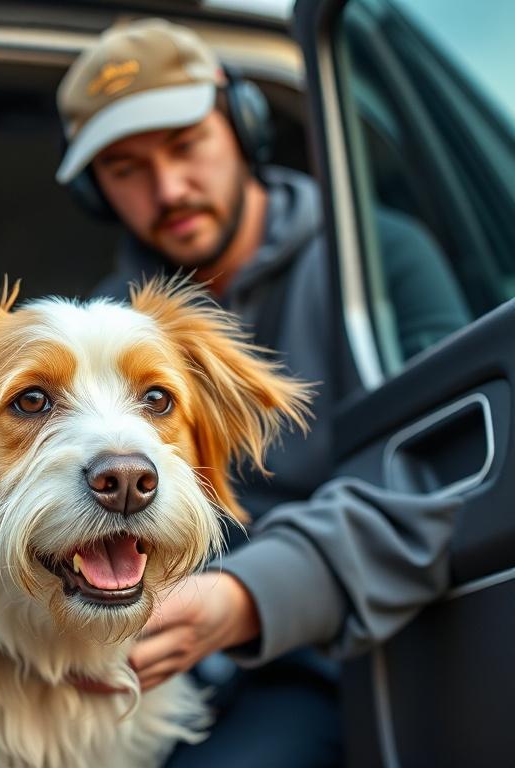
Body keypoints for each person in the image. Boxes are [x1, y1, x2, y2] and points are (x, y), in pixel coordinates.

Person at [55, 19, 470, 766]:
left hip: (336, 657)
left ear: (244, 127)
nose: (168, 188)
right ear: (95, 191)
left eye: (186, 146)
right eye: (125, 168)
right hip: (145, 659)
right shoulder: (105, 318)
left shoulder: (379, 262)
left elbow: (446, 472)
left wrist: (247, 597)